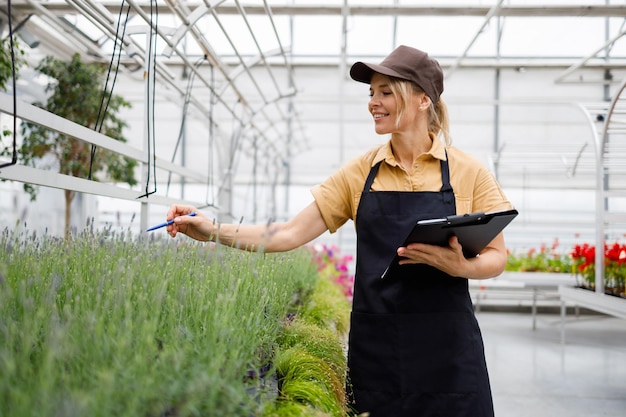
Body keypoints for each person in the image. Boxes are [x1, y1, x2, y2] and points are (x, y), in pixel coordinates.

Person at [165, 45, 512, 417]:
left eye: (385, 92)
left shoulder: (468, 171)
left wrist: (462, 268)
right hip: (379, 351)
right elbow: (287, 234)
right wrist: (211, 230)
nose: (373, 103)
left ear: (423, 99)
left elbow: (497, 256)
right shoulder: (361, 172)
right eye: (371, 93)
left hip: (449, 353)